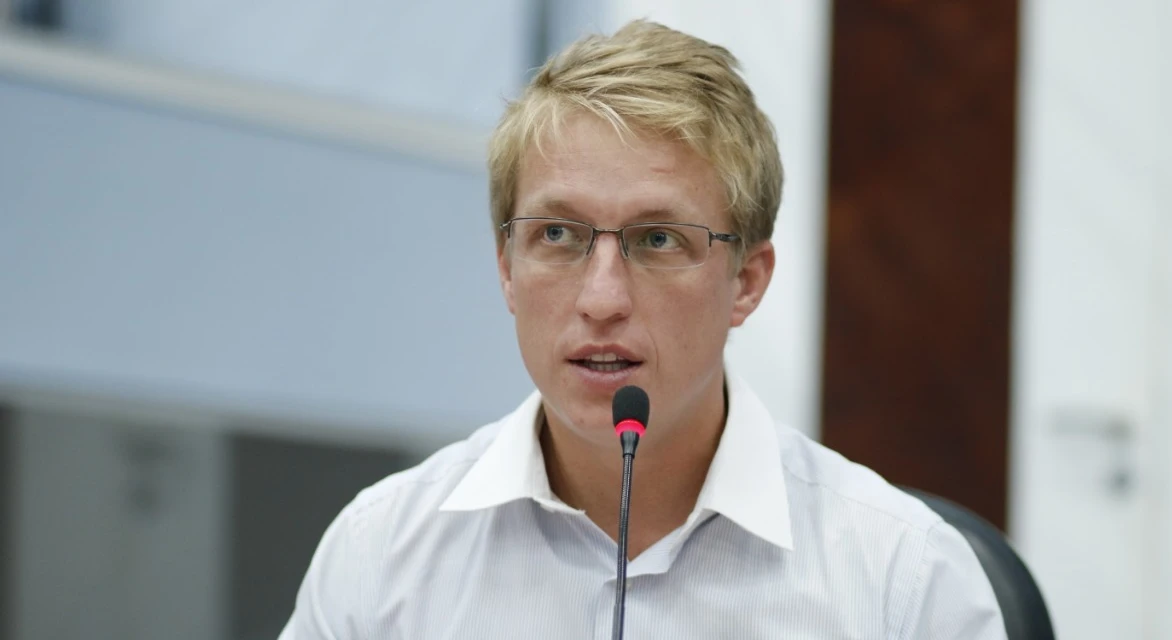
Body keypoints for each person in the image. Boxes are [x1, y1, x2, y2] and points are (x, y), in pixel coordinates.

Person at [280, 20, 1007, 639]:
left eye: (658, 240)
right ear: (507, 268)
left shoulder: (903, 580)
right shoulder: (379, 557)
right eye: (557, 234)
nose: (601, 300)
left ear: (746, 282)